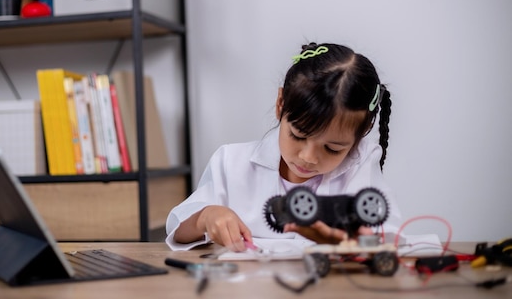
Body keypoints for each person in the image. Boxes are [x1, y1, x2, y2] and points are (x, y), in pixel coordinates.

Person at [165, 42, 401, 252]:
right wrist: (205, 217)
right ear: (280, 104)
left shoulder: (360, 163)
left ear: (364, 130)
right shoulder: (231, 162)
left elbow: (384, 238)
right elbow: (178, 230)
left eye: (332, 149)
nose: (308, 157)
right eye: (298, 136)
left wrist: (345, 243)